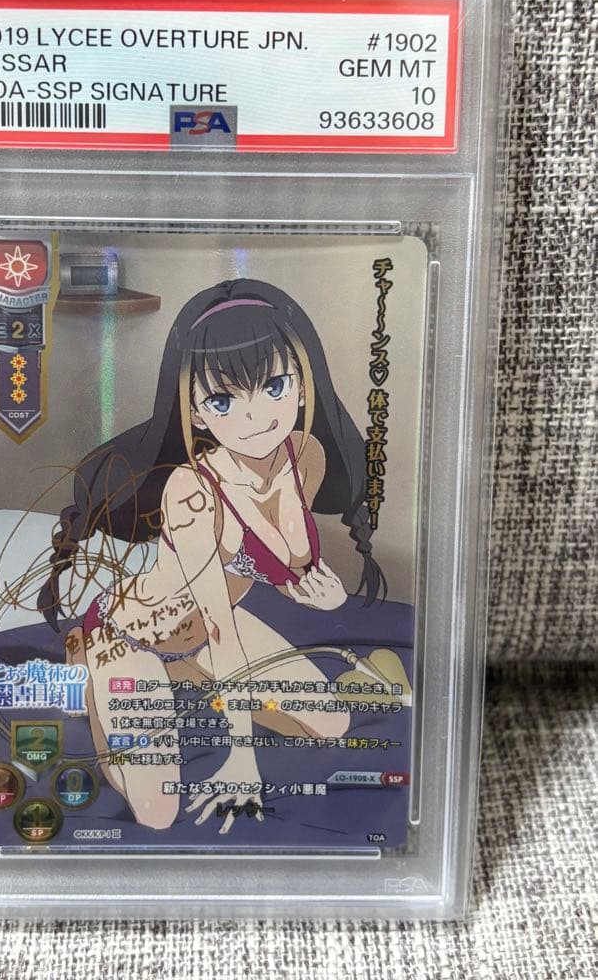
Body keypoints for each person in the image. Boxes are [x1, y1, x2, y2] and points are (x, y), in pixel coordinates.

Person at [38, 278, 386, 835]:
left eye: (273, 386)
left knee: (332, 722)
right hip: (133, 633)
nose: (254, 417)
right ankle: (86, 653)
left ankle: (184, 670)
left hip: (205, 632)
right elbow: (222, 628)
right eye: (223, 401)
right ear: (197, 413)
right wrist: (241, 758)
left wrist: (327, 600)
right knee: (157, 812)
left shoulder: (305, 455)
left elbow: (284, 571)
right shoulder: (192, 493)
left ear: (303, 386)